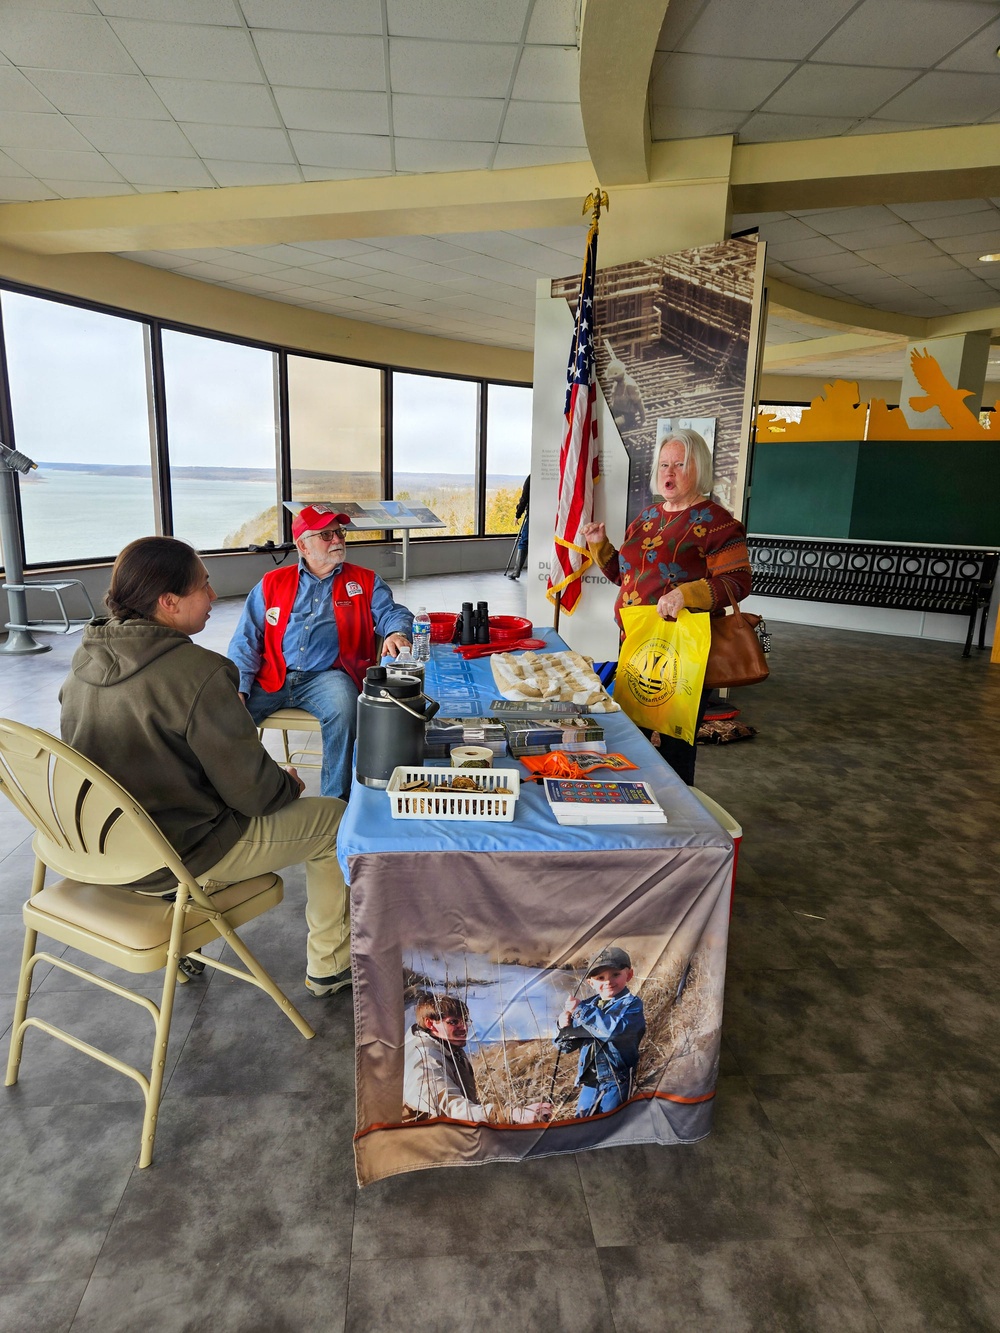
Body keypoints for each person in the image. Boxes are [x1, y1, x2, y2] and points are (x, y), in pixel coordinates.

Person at [59, 536, 352, 999]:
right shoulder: (199, 672)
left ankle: (185, 950)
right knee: (337, 820)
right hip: (179, 856)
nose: (214, 597)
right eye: (204, 587)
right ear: (169, 602)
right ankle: (330, 966)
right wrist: (286, 785)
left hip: (98, 847)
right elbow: (254, 794)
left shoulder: (84, 659)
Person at [582, 428, 752, 784]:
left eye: (679, 464)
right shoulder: (646, 518)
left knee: (675, 744)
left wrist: (685, 595)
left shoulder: (718, 522)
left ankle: (679, 817)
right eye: (663, 465)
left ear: (699, 469)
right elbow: (624, 577)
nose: (668, 472)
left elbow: (737, 582)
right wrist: (600, 546)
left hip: (681, 652)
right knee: (631, 737)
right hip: (636, 643)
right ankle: (634, 805)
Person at [228, 506, 414, 802]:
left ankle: (334, 805)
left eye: (339, 532)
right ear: (302, 545)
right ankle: (245, 797)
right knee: (220, 716)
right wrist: (238, 687)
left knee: (345, 707)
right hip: (272, 675)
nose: (337, 539)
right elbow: (246, 640)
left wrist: (396, 632)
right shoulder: (271, 583)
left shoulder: (365, 581)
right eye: (326, 534)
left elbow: (393, 613)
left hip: (329, 677)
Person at [403, 992, 552, 1125]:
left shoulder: (450, 1048)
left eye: (465, 1020)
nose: (465, 1028)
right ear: (430, 1023)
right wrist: (510, 1115)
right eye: (453, 1022)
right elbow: (454, 1111)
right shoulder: (425, 1059)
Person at [553, 947, 646, 1117]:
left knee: (608, 1125)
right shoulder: (588, 1006)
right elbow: (565, 1047)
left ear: (629, 975)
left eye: (615, 974)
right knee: (581, 1123)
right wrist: (562, 1026)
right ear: (591, 983)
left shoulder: (632, 1005)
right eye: (600, 978)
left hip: (617, 1080)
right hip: (589, 1082)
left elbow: (613, 1032)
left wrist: (581, 1011)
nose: (608, 982)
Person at [506, 476, 530, 580]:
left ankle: (516, 572)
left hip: (532, 515)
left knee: (524, 541)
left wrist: (518, 514)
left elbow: (524, 498)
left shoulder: (531, 478)